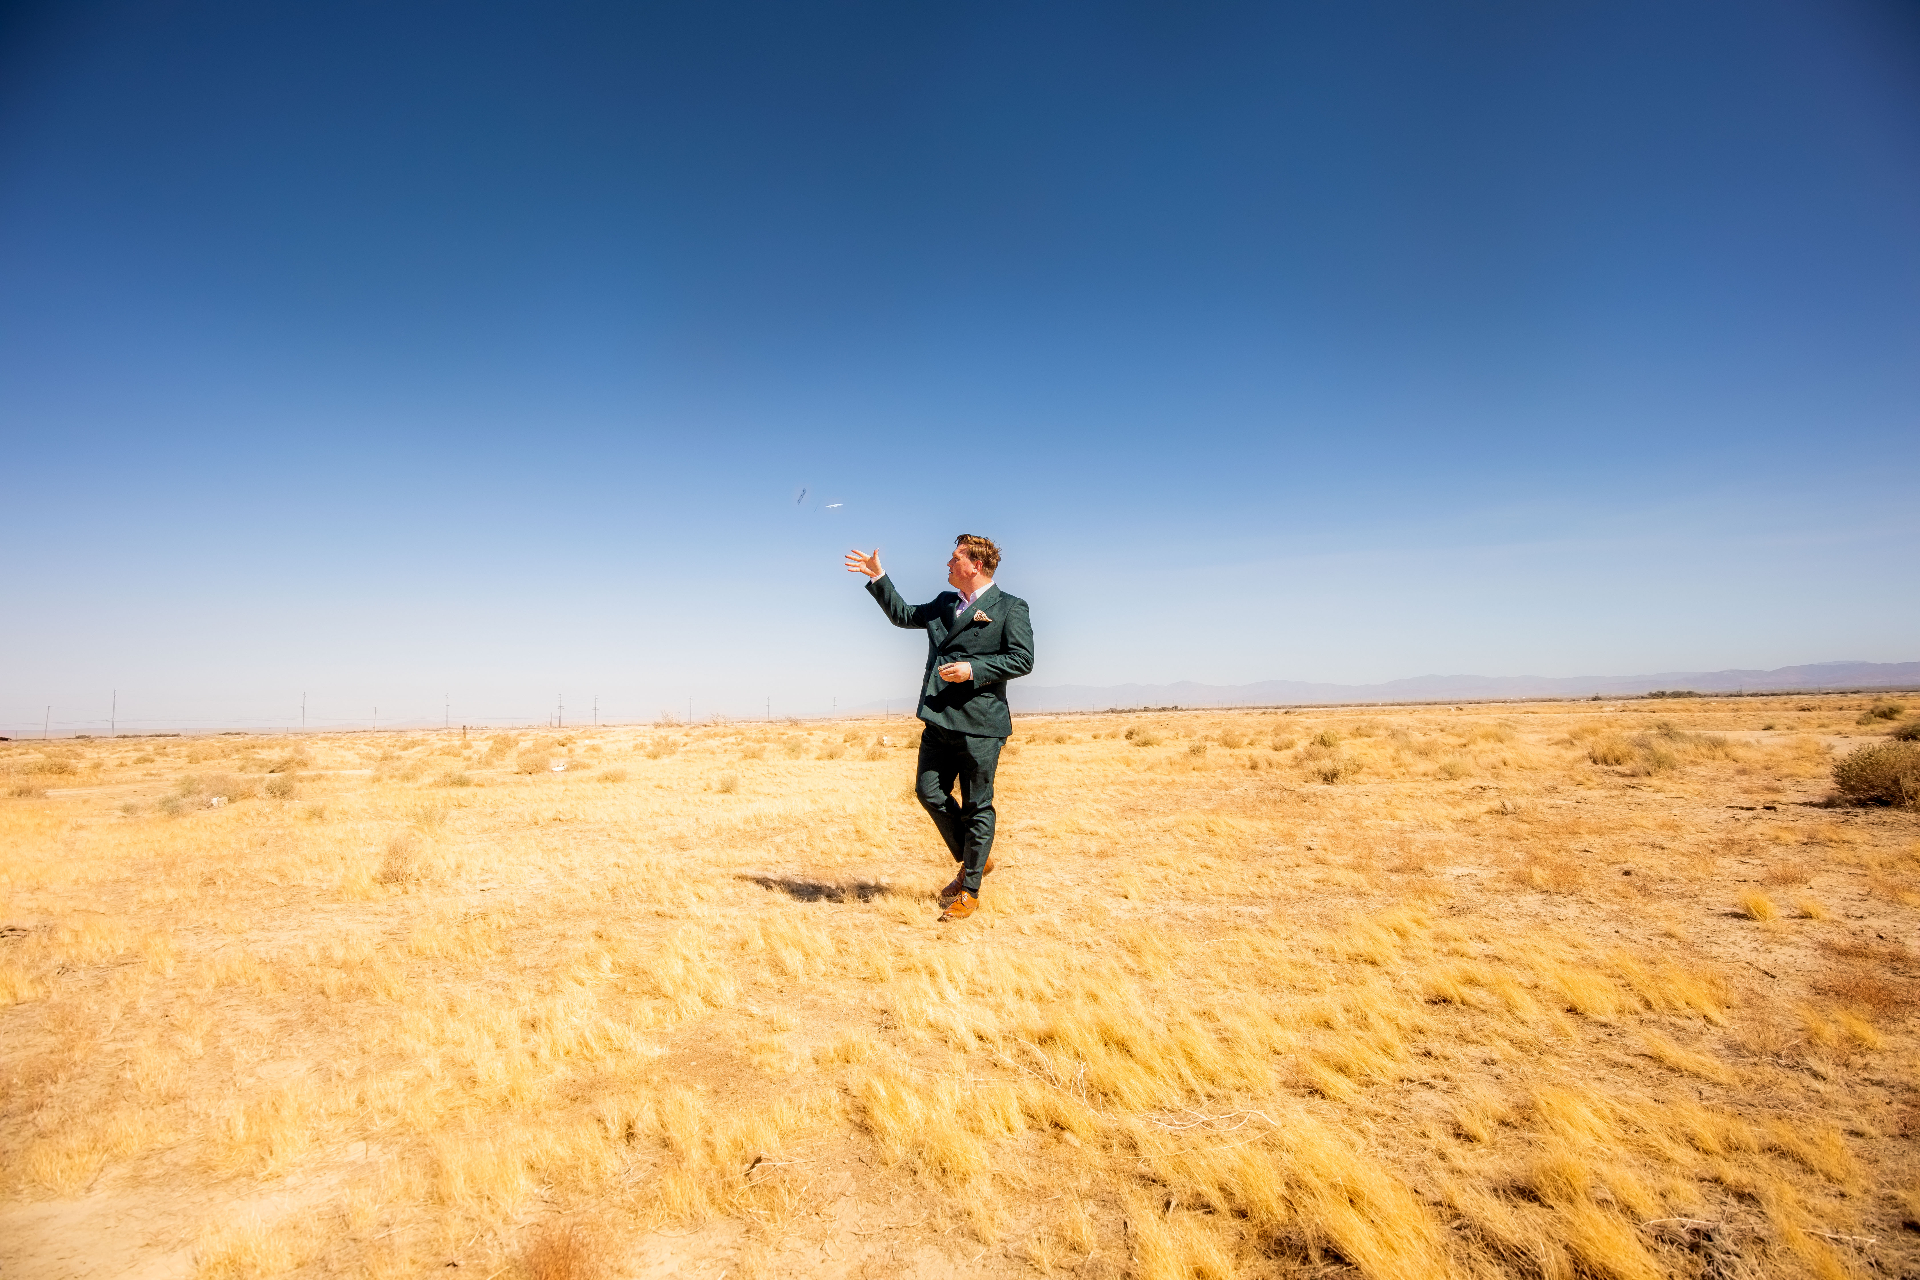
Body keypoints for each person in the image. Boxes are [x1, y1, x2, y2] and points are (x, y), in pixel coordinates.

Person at [844, 535, 1034, 922]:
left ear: (974, 566)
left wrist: (974, 670)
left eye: (954, 559)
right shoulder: (945, 603)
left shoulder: (1011, 608)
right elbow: (904, 615)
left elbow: (1022, 659)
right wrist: (880, 577)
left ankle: (971, 888)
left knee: (977, 804)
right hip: (938, 718)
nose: (947, 565)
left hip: (981, 724)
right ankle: (974, 857)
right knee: (928, 791)